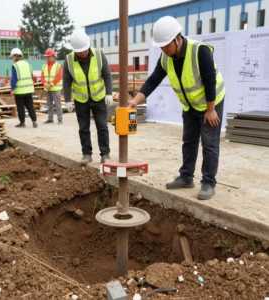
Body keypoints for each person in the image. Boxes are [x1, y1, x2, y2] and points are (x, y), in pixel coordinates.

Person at [129, 16, 225, 200]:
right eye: (161, 47)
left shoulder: (199, 51)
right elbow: (153, 80)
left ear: (178, 38)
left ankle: (208, 183)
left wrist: (211, 109)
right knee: (188, 141)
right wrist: (135, 100)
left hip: (211, 102)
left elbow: (210, 80)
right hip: (190, 106)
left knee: (209, 143)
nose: (164, 50)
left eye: (167, 45)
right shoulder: (166, 58)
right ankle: (186, 177)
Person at [63, 30, 113, 166]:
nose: (83, 53)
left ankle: (105, 154)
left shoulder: (98, 54)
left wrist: (109, 93)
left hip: (99, 97)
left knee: (102, 127)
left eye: (85, 50)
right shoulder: (68, 60)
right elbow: (66, 82)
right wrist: (67, 100)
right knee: (83, 128)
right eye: (80, 51)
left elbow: (107, 74)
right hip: (81, 100)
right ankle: (87, 154)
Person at [10, 48, 38, 128]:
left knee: (20, 107)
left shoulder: (15, 66)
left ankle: (22, 123)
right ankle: (34, 121)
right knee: (30, 106)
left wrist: (12, 89)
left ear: (15, 56)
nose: (12, 59)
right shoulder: (28, 64)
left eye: (12, 57)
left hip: (20, 91)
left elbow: (14, 79)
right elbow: (31, 76)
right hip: (29, 90)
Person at [41, 48, 63, 124]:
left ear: (53, 56)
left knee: (57, 104)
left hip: (55, 88)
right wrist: (45, 84)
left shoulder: (58, 65)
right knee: (49, 104)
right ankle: (50, 119)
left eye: (48, 57)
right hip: (47, 88)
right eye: (46, 57)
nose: (47, 58)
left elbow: (59, 76)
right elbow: (42, 76)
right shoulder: (44, 66)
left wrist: (51, 84)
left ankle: (60, 119)